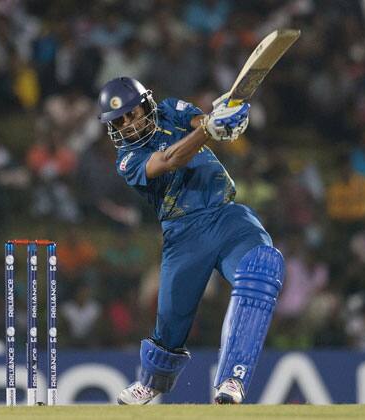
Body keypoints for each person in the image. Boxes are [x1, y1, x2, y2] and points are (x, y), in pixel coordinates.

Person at [97, 77, 284, 405]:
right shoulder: (126, 160)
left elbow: (200, 121)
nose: (129, 124)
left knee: (262, 267)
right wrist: (209, 130)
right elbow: (170, 160)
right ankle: (152, 382)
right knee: (170, 327)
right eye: (120, 121)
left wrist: (224, 118)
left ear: (147, 104)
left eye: (132, 113)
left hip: (226, 217)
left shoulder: (169, 109)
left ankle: (232, 379)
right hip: (183, 236)